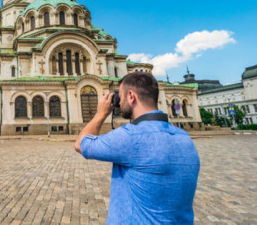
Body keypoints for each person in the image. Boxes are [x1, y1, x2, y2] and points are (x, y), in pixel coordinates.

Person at [75, 72, 200, 224]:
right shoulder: (184, 138)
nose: (119, 103)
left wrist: (101, 114)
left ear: (131, 96)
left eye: (120, 97)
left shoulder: (130, 136)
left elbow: (81, 144)